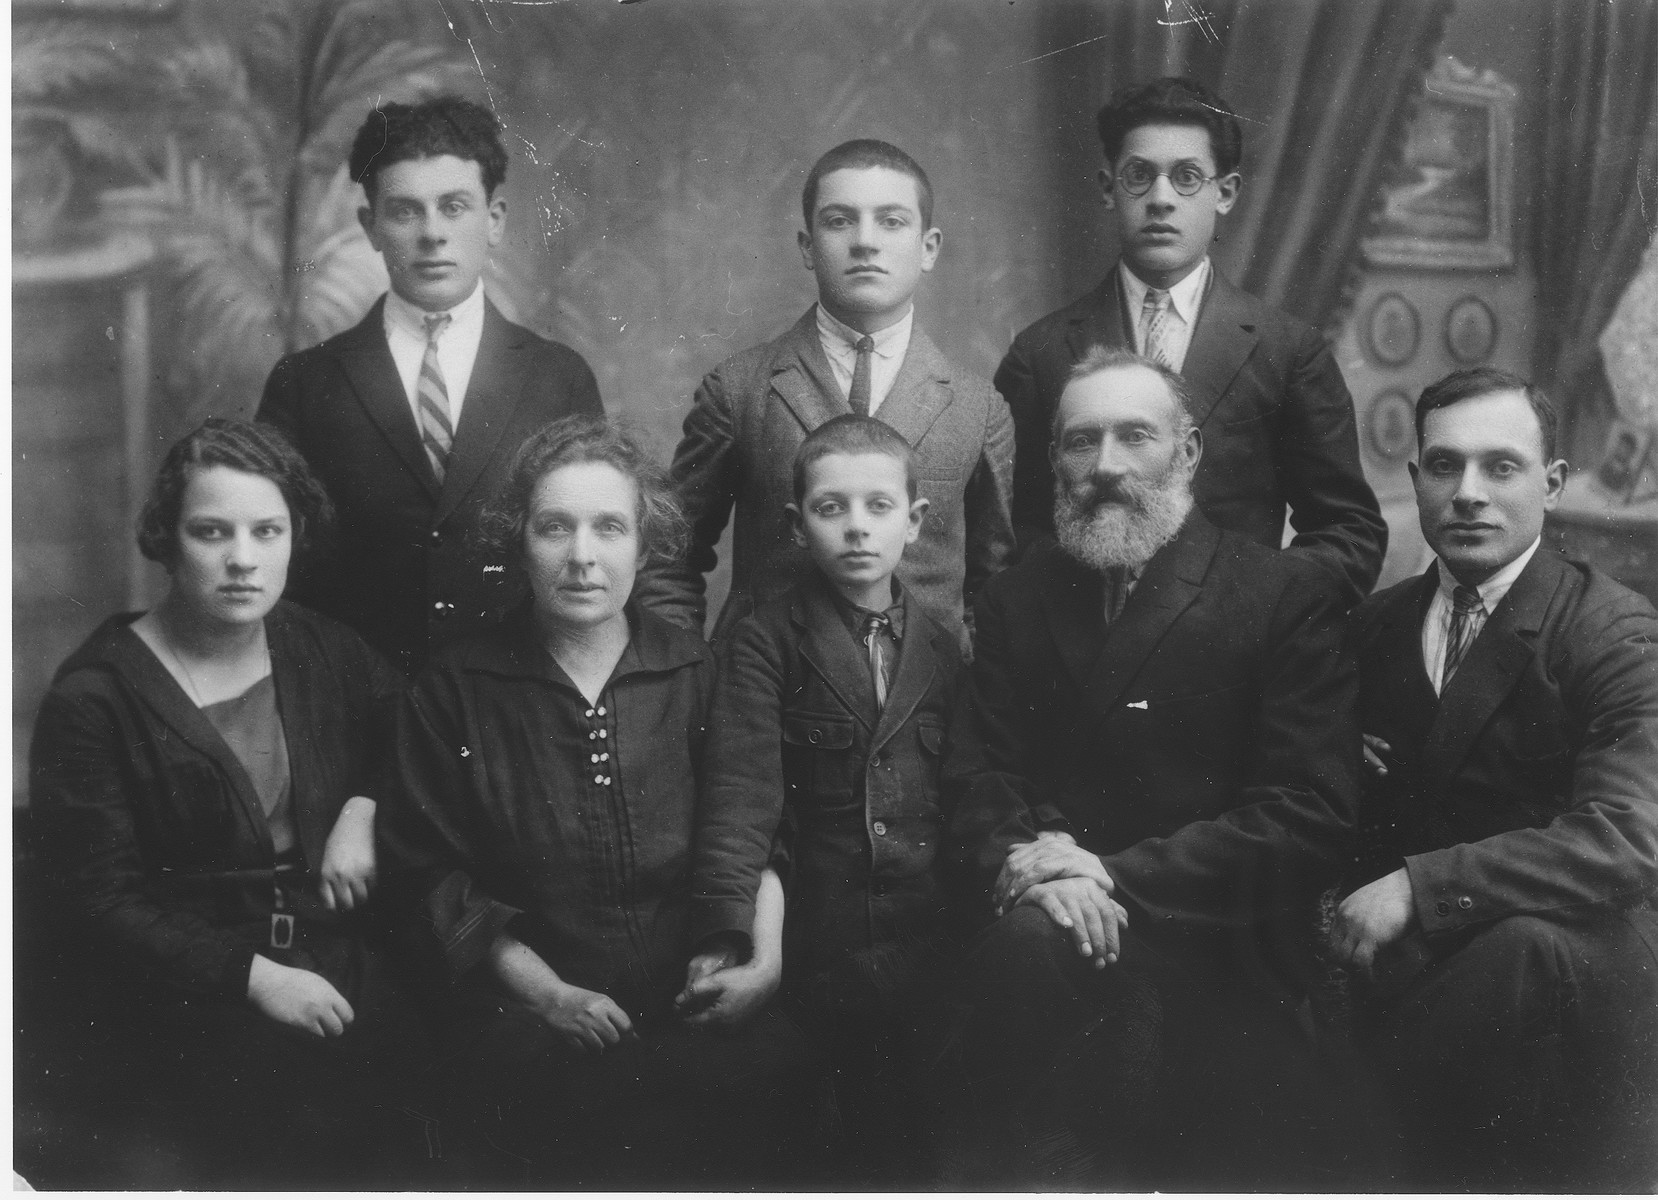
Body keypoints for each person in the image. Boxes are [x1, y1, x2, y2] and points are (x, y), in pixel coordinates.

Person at [943, 348, 1362, 1187]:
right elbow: (980, 776)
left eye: (1135, 437)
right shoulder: (1015, 598)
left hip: (1214, 943)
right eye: (1079, 442)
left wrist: (1109, 873)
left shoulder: (1280, 594)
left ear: (1190, 452)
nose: (1105, 467)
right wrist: (1044, 878)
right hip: (1052, 922)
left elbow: (1309, 811)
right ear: (1054, 459)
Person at [376, 415, 814, 1187]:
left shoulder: (697, 671)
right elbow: (427, 875)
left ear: (645, 548)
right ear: (520, 542)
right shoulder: (454, 688)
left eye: (609, 528)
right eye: (554, 529)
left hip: (692, 990)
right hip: (531, 1008)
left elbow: (757, 834)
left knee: (775, 1093)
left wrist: (761, 961)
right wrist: (548, 996)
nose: (582, 556)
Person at [27, 419, 419, 1187]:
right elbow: (96, 901)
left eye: (266, 531)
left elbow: (415, 728)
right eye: (212, 532)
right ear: (166, 539)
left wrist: (363, 806)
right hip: (188, 993)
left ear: (293, 537)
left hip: (336, 954)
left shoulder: (320, 646)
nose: (243, 558)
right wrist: (257, 978)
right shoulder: (96, 699)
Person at [1330, 368, 1658, 1191]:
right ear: (1414, 482)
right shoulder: (1372, 629)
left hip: (1574, 956)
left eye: (1500, 468)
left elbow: (1628, 835)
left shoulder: (1610, 630)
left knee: (1513, 960)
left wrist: (1418, 886)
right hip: (1413, 959)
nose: (1468, 493)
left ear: (1551, 485)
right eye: (1444, 467)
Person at [692, 415, 970, 1183]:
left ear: (914, 524)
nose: (856, 529)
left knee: (921, 1150)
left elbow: (966, 798)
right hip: (816, 952)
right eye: (831, 508)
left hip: (926, 951)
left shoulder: (944, 647)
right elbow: (742, 803)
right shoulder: (762, 640)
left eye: (879, 508)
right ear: (795, 523)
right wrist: (732, 936)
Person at [995, 76, 1384, 603]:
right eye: (1139, 176)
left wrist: (1255, 609)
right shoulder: (1039, 354)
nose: (1160, 200)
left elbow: (1349, 533)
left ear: (1224, 193)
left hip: (1232, 658)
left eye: (1186, 178)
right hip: (1085, 656)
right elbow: (1011, 530)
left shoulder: (1289, 351)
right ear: (1109, 189)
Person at [258, 95, 603, 676]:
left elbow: (591, 548)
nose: (432, 235)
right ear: (370, 226)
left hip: (518, 705)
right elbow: (275, 558)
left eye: (453, 207)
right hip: (356, 707)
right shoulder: (305, 383)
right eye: (404, 212)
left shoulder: (557, 378)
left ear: (493, 220)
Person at [637, 139, 1014, 653]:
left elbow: (994, 586)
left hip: (925, 710)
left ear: (928, 248)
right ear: (808, 246)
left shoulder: (978, 408)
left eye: (891, 221)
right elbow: (668, 557)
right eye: (839, 221)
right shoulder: (740, 388)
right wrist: (693, 676)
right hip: (770, 702)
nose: (865, 242)